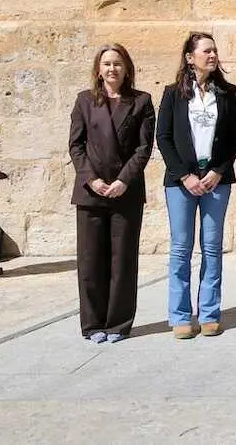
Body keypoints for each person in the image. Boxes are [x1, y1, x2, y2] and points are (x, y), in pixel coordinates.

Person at [157, 32, 236, 339]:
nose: (213, 55)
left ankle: (209, 313)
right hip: (181, 182)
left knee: (212, 248)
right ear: (189, 57)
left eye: (215, 50)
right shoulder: (172, 93)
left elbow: (234, 136)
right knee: (181, 250)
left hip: (216, 181)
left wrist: (218, 171)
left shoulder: (227, 92)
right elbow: (163, 138)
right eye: (206, 51)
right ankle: (180, 316)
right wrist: (184, 175)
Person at [68, 43, 155, 343]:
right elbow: (76, 146)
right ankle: (92, 325)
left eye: (117, 63)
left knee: (123, 261)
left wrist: (124, 180)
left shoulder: (142, 101)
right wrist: (91, 180)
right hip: (91, 192)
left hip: (125, 192)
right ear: (98, 69)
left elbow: (144, 148)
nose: (112, 69)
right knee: (91, 261)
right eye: (106, 64)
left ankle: (118, 324)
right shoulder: (84, 101)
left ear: (127, 68)